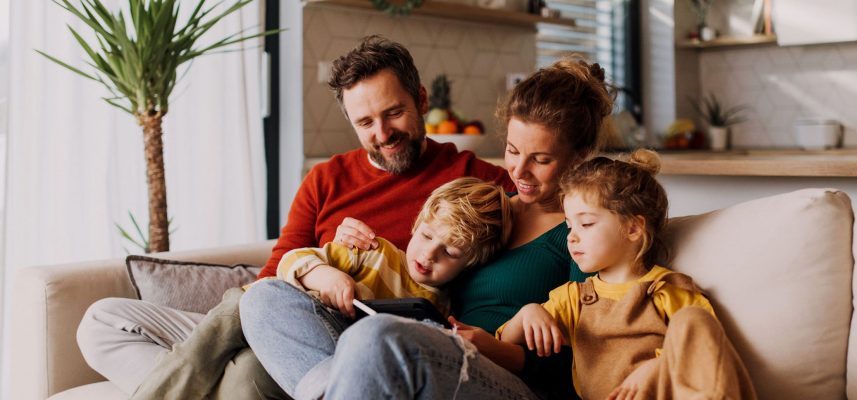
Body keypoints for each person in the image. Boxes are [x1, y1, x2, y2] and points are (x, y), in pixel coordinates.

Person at [75, 35, 513, 398]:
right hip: (278, 305)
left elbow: (547, 213)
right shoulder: (326, 179)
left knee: (247, 377)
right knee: (101, 321)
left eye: (394, 113)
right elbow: (275, 270)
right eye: (365, 122)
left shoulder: (475, 179)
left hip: (340, 336)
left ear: (419, 100)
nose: (382, 134)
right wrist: (314, 272)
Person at [240, 57, 614, 399]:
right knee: (263, 299)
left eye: (542, 159)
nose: (518, 171)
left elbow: (592, 364)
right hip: (430, 352)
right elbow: (418, 267)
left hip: (509, 379)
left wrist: (497, 346)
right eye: (513, 151)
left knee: (376, 336)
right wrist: (337, 258)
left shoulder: (584, 232)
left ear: (579, 157)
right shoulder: (486, 205)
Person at [497, 150, 757, 400]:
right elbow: (506, 338)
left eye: (586, 224)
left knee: (693, 319)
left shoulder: (669, 291)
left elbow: (709, 354)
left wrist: (658, 367)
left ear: (633, 228)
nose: (571, 237)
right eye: (569, 225)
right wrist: (529, 311)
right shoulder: (573, 298)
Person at [274, 177, 512, 320]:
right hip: (292, 311)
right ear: (416, 225)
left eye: (449, 253)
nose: (429, 255)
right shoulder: (374, 252)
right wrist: (328, 278)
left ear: (469, 265)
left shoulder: (446, 309)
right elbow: (289, 261)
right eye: (427, 235)